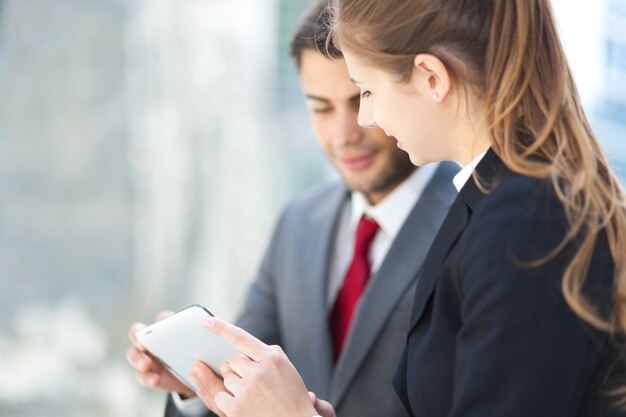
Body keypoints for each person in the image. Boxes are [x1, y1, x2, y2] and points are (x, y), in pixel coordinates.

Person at [188, 1, 626, 417]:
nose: (364, 119)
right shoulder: (500, 202)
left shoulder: (523, 222)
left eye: (367, 91)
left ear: (431, 77)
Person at [126, 1, 459, 417]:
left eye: (361, 98)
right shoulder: (299, 224)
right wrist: (199, 385)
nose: (343, 135)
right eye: (320, 107)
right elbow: (251, 385)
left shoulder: (474, 218)